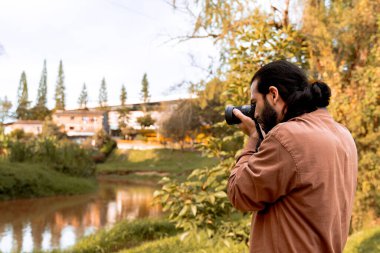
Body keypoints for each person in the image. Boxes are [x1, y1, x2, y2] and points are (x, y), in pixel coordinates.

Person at [227, 60, 358, 253]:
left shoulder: (286, 137)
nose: (254, 113)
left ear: (273, 94)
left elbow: (238, 193)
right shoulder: (343, 134)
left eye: (255, 103)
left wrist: (254, 139)